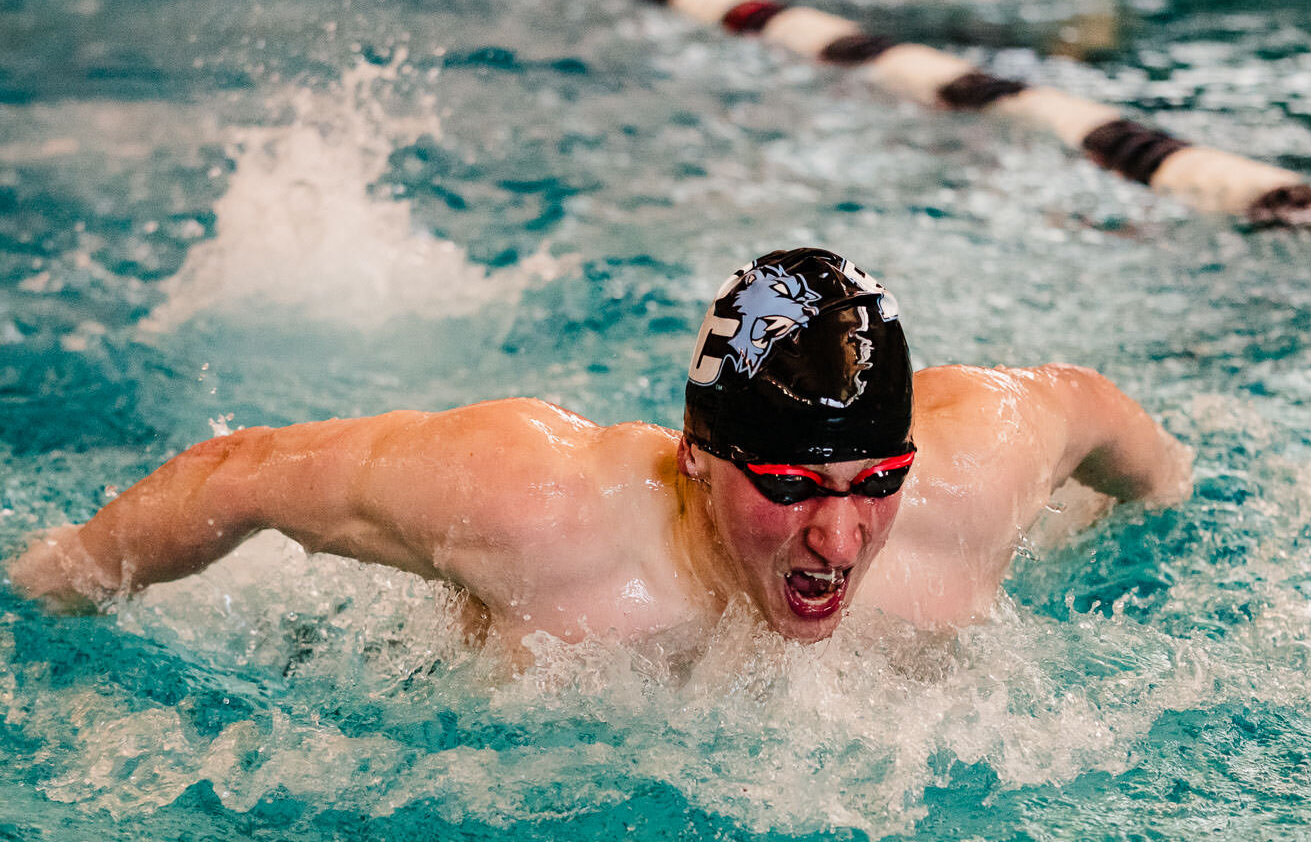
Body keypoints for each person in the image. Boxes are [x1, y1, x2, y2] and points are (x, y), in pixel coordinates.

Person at [7, 248, 1190, 666]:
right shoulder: (535, 506)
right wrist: (51, 580)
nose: (840, 540)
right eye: (787, 487)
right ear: (694, 455)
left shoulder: (968, 478)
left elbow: (1088, 409)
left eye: (871, 483)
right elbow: (247, 473)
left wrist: (1172, 505)